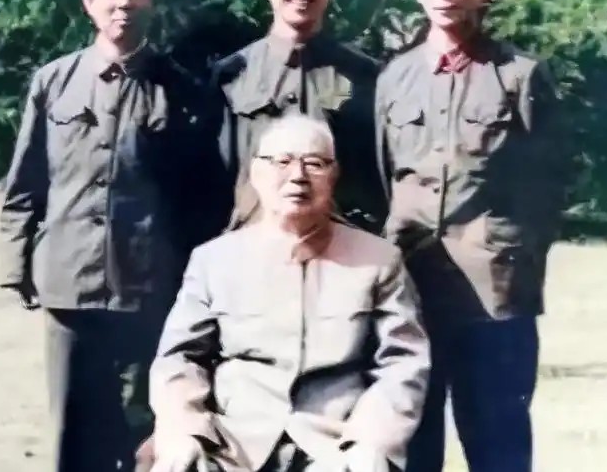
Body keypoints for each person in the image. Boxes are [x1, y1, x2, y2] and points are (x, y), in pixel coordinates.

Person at [0, 0, 215, 472]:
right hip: (69, 282)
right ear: (88, 1)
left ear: (152, 0)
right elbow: (26, 181)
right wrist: (15, 263)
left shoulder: (183, 89)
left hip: (149, 287)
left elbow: (200, 196)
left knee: (146, 428)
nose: (124, 1)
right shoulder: (54, 82)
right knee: (75, 429)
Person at [375, 0, 568, 472]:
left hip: (493, 295)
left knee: (498, 445)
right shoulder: (394, 78)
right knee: (412, 441)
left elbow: (548, 186)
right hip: (412, 288)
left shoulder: (521, 76)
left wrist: (511, 257)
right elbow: (388, 175)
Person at [148, 115, 430, 472]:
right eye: (282, 162)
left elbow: (402, 364)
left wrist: (372, 439)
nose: (298, 176)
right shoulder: (214, 260)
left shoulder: (378, 259)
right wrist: (184, 431)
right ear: (256, 173)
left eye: (314, 163)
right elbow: (179, 359)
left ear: (334, 175)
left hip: (335, 447)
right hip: (233, 446)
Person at [210, 0, 386, 235]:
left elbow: (378, 175)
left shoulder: (364, 75)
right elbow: (211, 178)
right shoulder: (231, 76)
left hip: (339, 245)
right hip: (253, 242)